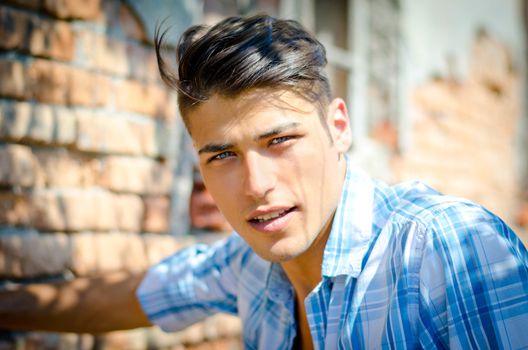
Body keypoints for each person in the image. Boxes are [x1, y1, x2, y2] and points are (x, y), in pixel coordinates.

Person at [1, 14, 528, 349]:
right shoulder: (248, 264)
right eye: (223, 155)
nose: (255, 184)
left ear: (337, 127)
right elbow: (133, 295)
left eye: (279, 141)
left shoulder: (447, 247)